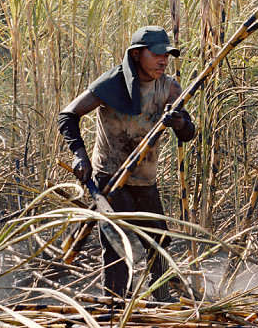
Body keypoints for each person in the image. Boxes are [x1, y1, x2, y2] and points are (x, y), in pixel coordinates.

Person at [57, 26, 196, 298]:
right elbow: (68, 115)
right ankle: (115, 307)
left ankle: (161, 303)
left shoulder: (169, 87)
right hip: (111, 179)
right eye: (156, 54)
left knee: (159, 242)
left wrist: (178, 122)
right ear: (135, 55)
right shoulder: (111, 84)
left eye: (166, 54)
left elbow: (188, 132)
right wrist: (80, 155)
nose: (163, 60)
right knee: (118, 247)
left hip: (145, 179)